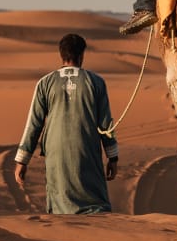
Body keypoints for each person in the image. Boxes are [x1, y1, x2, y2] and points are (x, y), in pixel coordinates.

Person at [13, 33, 119, 214]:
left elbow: (34, 124)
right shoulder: (97, 82)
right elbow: (106, 124)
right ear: (82, 55)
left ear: (61, 55)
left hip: (56, 151)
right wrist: (113, 157)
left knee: (59, 202)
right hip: (86, 149)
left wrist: (22, 161)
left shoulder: (44, 83)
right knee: (95, 204)